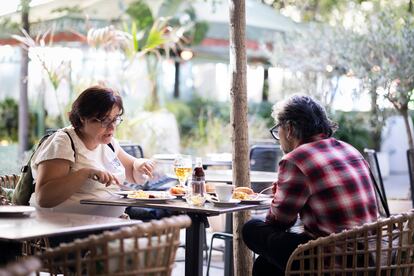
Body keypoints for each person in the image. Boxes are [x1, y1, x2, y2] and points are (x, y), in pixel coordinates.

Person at [242, 95, 379, 276]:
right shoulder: (350, 149)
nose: (279, 137)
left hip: (330, 261)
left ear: (289, 128)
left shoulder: (295, 159)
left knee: (251, 229)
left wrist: (279, 197)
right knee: (265, 265)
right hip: (367, 258)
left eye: (278, 129)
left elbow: (279, 221)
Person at [29, 85, 155, 218]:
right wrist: (85, 173)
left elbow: (133, 174)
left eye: (115, 119)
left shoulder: (108, 143)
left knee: (157, 221)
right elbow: (44, 197)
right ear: (83, 118)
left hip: (106, 222)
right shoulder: (64, 142)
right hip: (64, 227)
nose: (112, 127)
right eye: (105, 120)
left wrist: (139, 165)